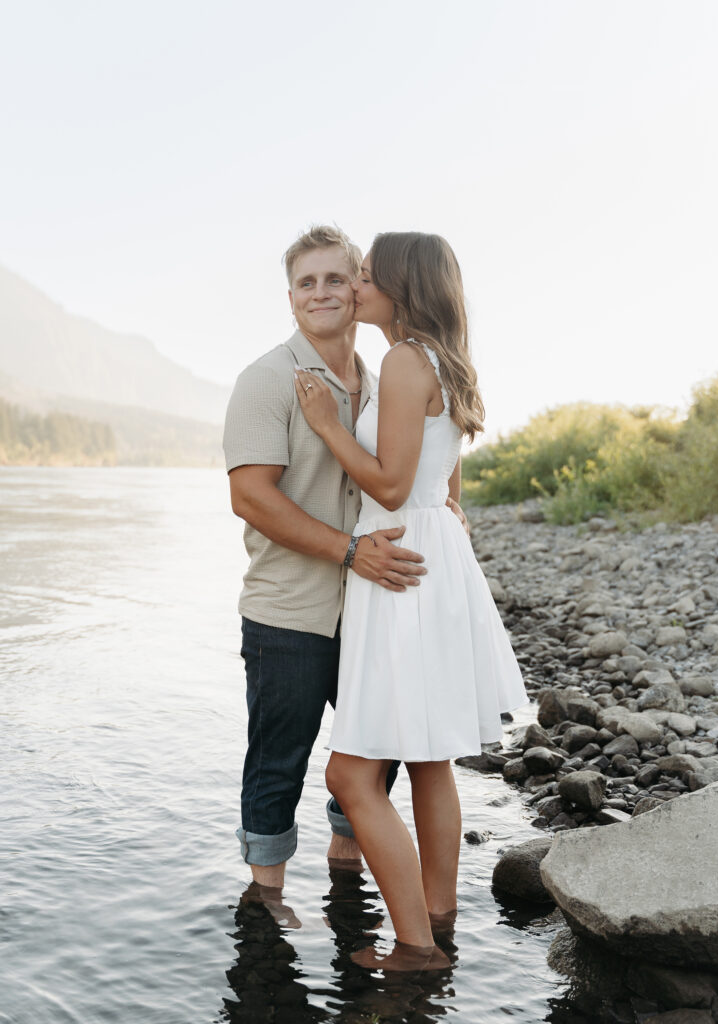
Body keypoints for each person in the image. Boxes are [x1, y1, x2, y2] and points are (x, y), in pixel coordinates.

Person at [294, 231, 528, 971]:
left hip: (398, 565)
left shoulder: (400, 360)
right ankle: (438, 911)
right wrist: (444, 506)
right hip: (432, 554)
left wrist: (329, 427)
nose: (355, 286)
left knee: (347, 775)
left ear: (399, 284)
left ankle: (416, 949)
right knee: (429, 760)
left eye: (364, 275)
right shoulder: (441, 360)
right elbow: (438, 477)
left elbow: (390, 486)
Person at [223, 226, 430, 900]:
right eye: (306, 283)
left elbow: (413, 467)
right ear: (290, 299)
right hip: (290, 609)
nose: (321, 293)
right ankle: (267, 903)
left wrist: (448, 506)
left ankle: (346, 872)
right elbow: (249, 497)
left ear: (359, 288)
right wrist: (346, 551)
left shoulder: (382, 383)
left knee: (380, 748)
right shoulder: (266, 380)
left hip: (372, 607)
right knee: (278, 761)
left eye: (335, 279)